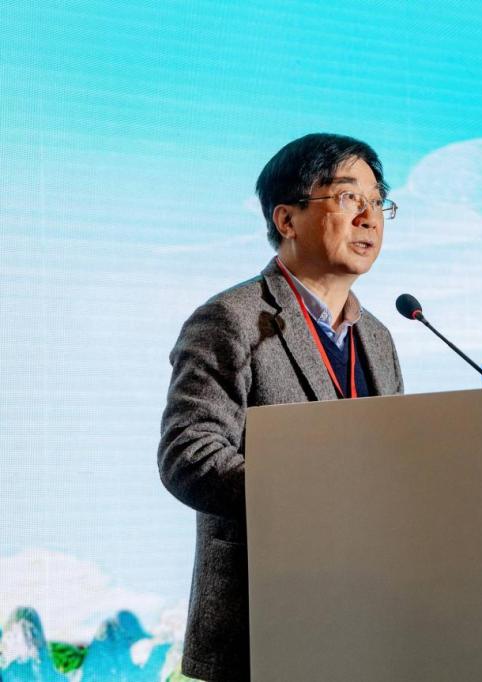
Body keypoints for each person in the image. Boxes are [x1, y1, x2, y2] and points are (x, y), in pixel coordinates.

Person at [158, 133, 403, 682]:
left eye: (377, 201)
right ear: (287, 219)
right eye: (348, 197)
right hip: (262, 617)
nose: (368, 217)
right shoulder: (231, 319)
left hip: (369, 611)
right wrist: (312, 496)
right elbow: (189, 456)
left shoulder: (379, 337)